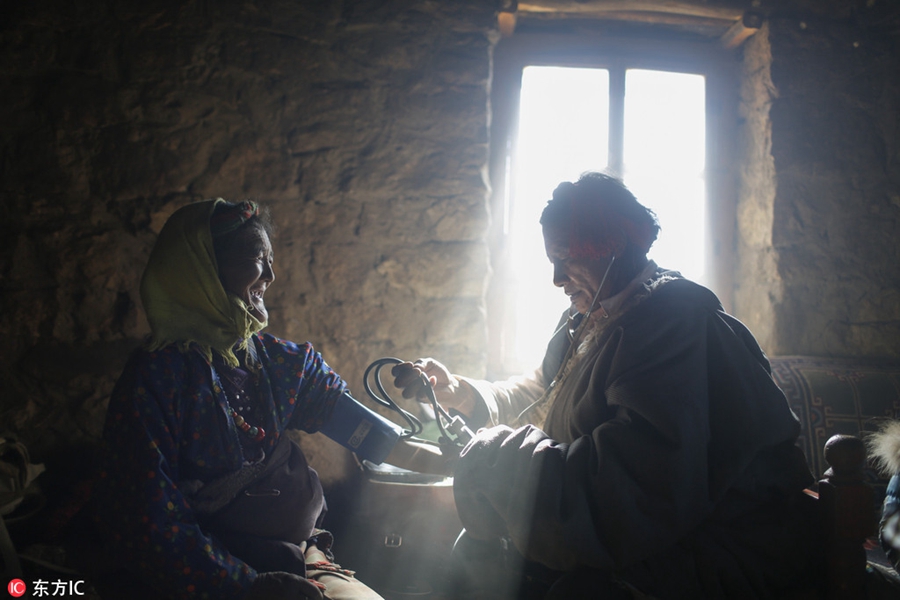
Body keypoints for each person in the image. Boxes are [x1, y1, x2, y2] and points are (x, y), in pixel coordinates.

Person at [392, 172, 823, 598]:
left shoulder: (671, 326)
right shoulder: (589, 316)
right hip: (661, 533)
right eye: (552, 262)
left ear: (610, 250)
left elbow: (634, 494)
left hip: (722, 542)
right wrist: (460, 391)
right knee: (476, 554)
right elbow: (546, 392)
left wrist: (495, 462)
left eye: (566, 259)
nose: (557, 279)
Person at [88, 199, 385, 600]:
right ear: (203, 273)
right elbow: (148, 521)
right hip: (208, 576)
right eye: (257, 260)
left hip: (294, 556)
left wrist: (449, 454)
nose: (271, 276)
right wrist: (250, 587)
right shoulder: (156, 380)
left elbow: (371, 435)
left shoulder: (276, 361)